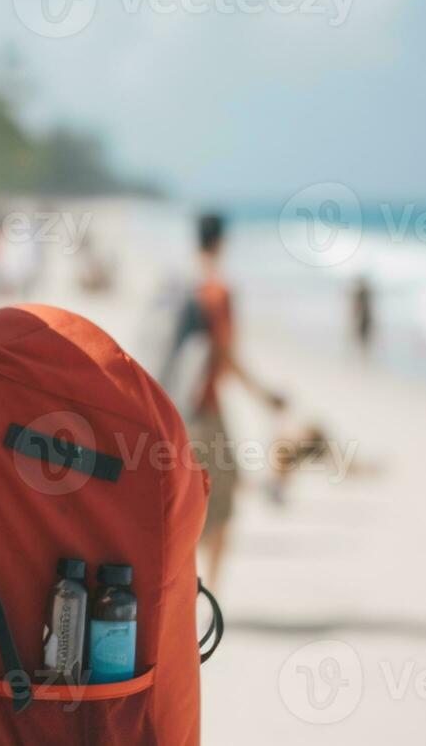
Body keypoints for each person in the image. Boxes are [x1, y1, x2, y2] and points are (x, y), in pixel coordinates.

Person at [186, 212, 286, 587]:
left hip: (175, 405)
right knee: (221, 504)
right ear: (222, 242)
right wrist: (263, 395)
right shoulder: (219, 291)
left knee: (193, 502)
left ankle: (197, 594)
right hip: (205, 409)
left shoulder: (183, 284)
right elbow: (226, 355)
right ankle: (207, 595)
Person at [351, 274, 374, 356]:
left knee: (363, 337)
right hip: (365, 318)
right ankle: (362, 354)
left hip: (365, 318)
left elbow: (358, 306)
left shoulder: (362, 292)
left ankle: (363, 354)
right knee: (362, 338)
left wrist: (354, 315)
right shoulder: (365, 292)